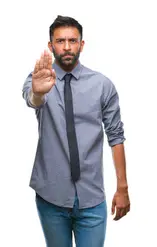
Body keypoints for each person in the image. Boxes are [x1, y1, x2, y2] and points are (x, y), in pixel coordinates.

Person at [22, 15, 131, 247]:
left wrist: (122, 187)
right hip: (51, 195)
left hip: (91, 197)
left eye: (72, 40)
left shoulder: (102, 84)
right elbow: (32, 100)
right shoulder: (38, 80)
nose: (67, 47)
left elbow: (116, 136)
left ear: (82, 44)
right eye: (60, 41)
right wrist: (38, 92)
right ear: (51, 46)